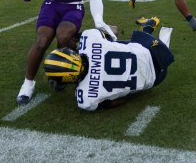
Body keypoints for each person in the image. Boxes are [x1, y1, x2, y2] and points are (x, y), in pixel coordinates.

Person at [43, 16, 174, 111]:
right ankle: (147, 29)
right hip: (151, 49)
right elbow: (114, 30)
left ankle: (148, 28)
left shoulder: (86, 99)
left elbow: (117, 101)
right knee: (113, 44)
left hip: (157, 78)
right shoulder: (89, 38)